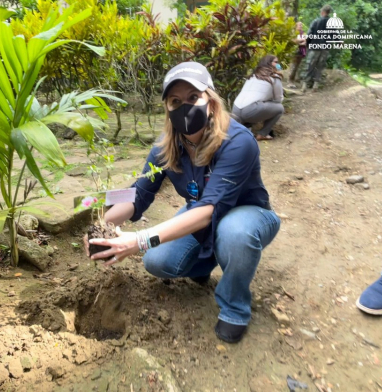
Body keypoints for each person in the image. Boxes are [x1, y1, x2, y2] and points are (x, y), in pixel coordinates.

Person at [86, 62, 281, 343]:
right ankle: (205, 263)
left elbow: (209, 209)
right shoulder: (165, 148)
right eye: (175, 101)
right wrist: (102, 227)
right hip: (200, 215)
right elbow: (138, 194)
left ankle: (235, 306)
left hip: (247, 214)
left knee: (233, 233)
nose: (184, 106)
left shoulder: (238, 141)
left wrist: (139, 240)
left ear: (211, 102)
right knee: (156, 261)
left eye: (193, 97)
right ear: (167, 108)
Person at [231, 55, 284, 141]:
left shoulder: (252, 76)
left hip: (235, 110)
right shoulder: (274, 77)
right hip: (250, 111)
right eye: (276, 62)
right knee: (280, 108)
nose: (278, 64)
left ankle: (245, 127)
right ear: (268, 63)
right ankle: (263, 133)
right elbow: (279, 99)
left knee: (257, 104)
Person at [303, 5, 332, 93]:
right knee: (320, 65)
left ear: (322, 12)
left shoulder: (316, 21)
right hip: (325, 47)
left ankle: (305, 84)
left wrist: (307, 44)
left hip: (315, 46)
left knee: (310, 64)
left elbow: (310, 34)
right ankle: (316, 84)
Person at [288, 22, 307, 88]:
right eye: (299, 25)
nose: (301, 26)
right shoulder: (293, 33)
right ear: (296, 26)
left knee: (298, 67)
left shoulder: (303, 33)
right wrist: (301, 41)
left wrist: (300, 41)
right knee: (293, 67)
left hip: (301, 52)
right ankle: (290, 81)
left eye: (301, 25)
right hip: (294, 52)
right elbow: (293, 41)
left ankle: (296, 79)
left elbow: (306, 41)